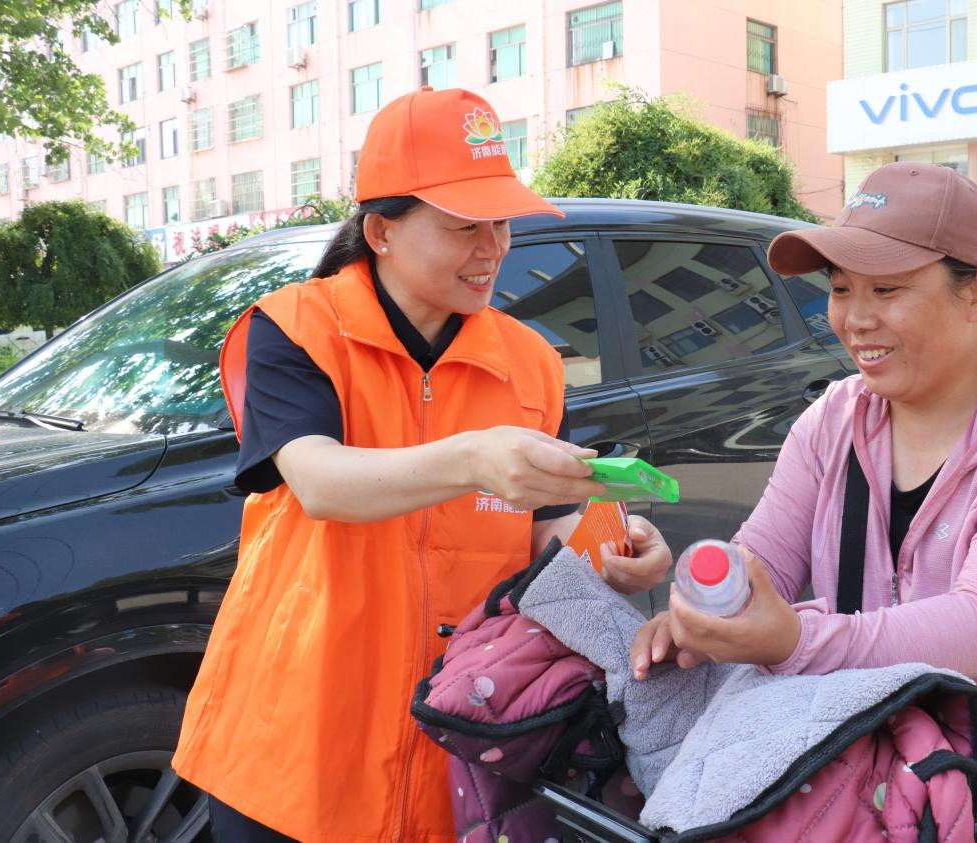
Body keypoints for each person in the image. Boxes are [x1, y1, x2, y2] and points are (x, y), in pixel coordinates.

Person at [172, 87, 671, 843]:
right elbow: (320, 481)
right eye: (465, 226)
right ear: (381, 231)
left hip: (461, 742)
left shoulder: (531, 362)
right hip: (293, 748)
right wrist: (473, 459)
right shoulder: (296, 329)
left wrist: (614, 550)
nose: (493, 248)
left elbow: (544, 529)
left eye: (501, 222)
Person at [631, 162, 977, 841]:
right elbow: (760, 560)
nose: (855, 319)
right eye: (840, 288)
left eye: (887, 289)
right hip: (867, 793)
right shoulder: (834, 420)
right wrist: (699, 613)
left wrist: (793, 640)